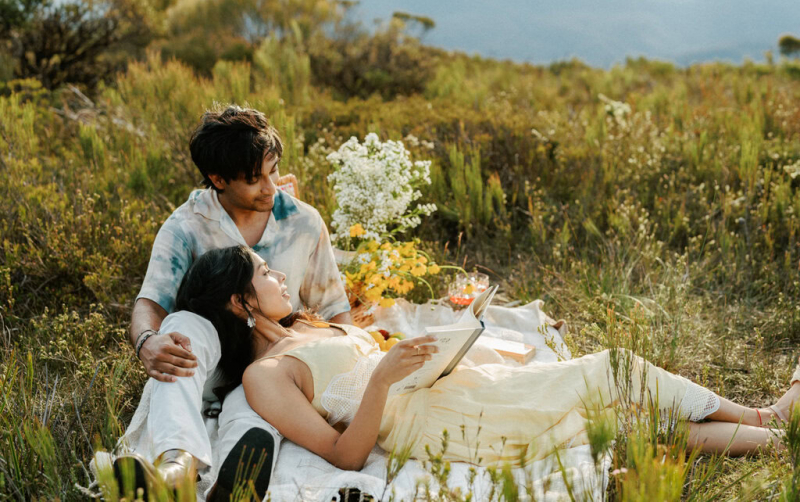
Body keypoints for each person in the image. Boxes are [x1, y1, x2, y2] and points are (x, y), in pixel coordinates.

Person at [174, 245, 797, 474]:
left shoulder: (308, 330)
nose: (279, 273)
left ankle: (774, 437)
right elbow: (345, 454)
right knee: (612, 369)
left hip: (463, 387)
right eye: (264, 273)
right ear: (239, 302)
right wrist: (386, 379)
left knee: (621, 422)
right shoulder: (264, 378)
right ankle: (769, 418)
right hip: (443, 425)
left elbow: (389, 352)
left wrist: (441, 340)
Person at [116, 106, 351, 500]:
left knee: (254, 412)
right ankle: (177, 468)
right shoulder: (185, 226)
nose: (270, 188)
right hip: (206, 358)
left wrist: (343, 374)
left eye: (272, 171)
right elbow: (150, 303)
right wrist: (147, 342)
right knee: (182, 327)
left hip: (272, 364)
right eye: (253, 179)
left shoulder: (304, 222)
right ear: (217, 179)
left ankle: (230, 487)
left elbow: (334, 308)